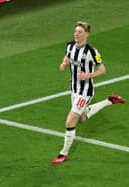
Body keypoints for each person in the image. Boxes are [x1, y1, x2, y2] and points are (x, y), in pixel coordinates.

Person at [52, 22, 125, 164]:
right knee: (82, 118)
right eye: (75, 31)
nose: (76, 34)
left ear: (86, 34)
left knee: (70, 121)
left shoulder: (92, 52)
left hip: (85, 91)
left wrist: (88, 75)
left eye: (80, 32)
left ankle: (63, 153)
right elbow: (67, 56)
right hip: (73, 89)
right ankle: (109, 100)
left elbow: (102, 70)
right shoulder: (70, 46)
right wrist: (64, 63)